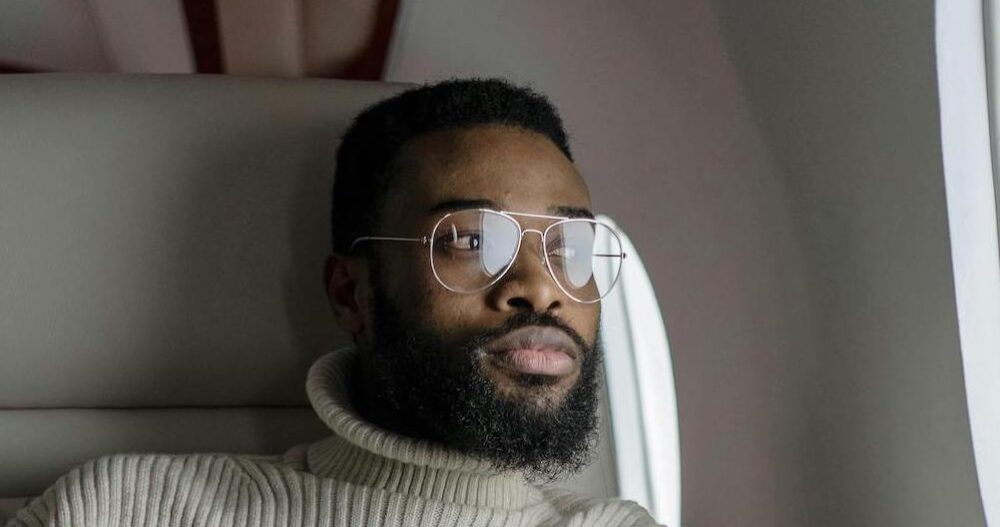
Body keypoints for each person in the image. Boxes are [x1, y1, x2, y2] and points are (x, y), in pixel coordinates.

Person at [6, 78, 660, 527]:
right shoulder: (127, 508)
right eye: (471, 239)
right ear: (352, 292)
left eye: (572, 247)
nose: (544, 286)